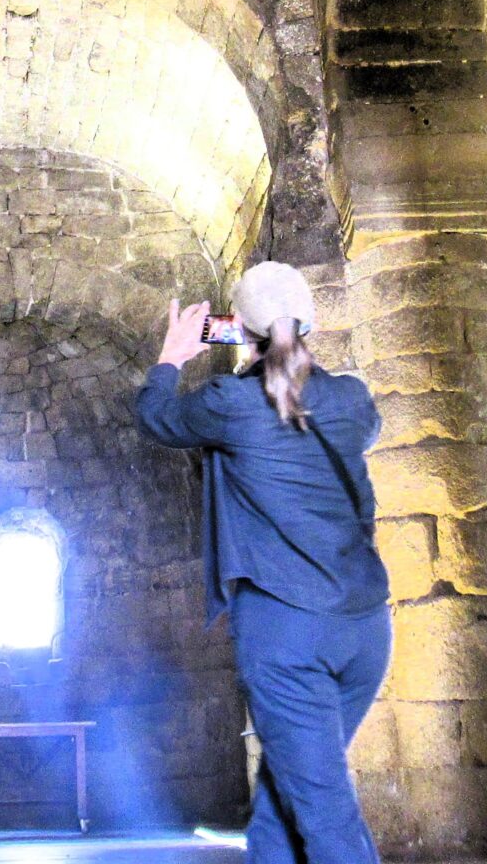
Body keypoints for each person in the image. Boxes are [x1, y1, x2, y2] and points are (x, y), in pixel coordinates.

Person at [135, 260, 390, 864]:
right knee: (286, 795)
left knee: (325, 810)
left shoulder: (231, 403)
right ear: (309, 323)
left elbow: (154, 415)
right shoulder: (352, 400)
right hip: (366, 631)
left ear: (238, 330)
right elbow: (354, 423)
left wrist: (174, 354)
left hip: (286, 634)